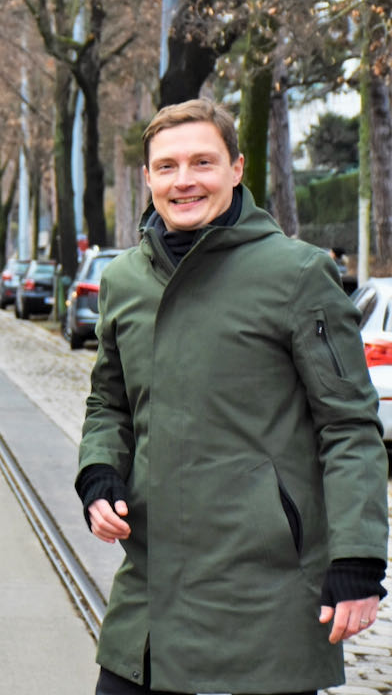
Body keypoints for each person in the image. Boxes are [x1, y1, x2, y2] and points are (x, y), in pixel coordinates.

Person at [76, 99, 388, 695]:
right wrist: (98, 474)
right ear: (147, 179)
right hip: (147, 599)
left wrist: (357, 559)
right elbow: (108, 403)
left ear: (237, 169)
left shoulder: (297, 275)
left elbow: (349, 426)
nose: (183, 180)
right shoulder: (122, 281)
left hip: (263, 602)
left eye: (202, 162)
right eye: (166, 167)